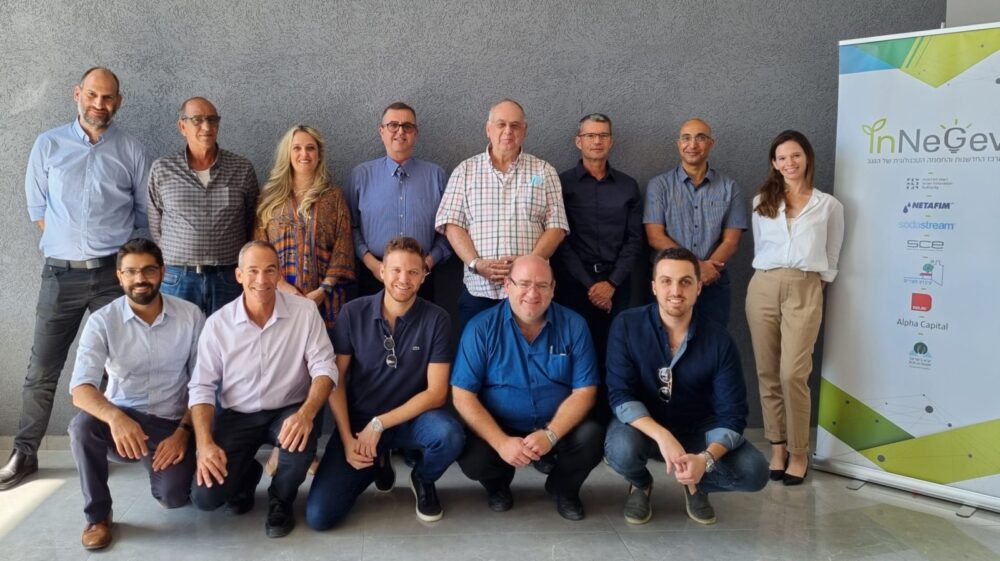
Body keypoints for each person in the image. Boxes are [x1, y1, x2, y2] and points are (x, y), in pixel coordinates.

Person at [2, 67, 151, 491]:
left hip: (111, 277)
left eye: (108, 97)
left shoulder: (131, 150)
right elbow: (38, 210)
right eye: (92, 95)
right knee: (42, 368)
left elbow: (143, 213)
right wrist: (69, 249)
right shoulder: (48, 144)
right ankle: (25, 452)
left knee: (114, 364)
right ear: (77, 94)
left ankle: (99, 443)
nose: (99, 104)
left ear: (118, 101)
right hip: (60, 275)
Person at [306, 237, 464, 529]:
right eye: (396, 270)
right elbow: (335, 381)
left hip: (411, 420)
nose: (404, 279)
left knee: (450, 434)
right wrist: (347, 439)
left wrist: (380, 424)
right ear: (381, 272)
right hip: (360, 422)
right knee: (320, 516)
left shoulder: (437, 319)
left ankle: (423, 479)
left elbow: (436, 393)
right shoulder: (353, 312)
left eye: (413, 272)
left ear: (424, 275)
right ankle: (375, 462)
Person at [604, 247, 768, 526]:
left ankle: (696, 481)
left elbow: (733, 415)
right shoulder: (627, 325)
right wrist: (662, 436)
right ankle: (641, 484)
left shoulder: (719, 340)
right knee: (620, 449)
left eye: (685, 282)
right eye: (666, 281)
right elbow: (620, 395)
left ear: (698, 288)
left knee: (755, 472)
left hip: (699, 430)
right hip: (645, 428)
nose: (675, 291)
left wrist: (706, 459)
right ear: (654, 287)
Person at [188, 241, 337, 538]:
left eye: (270, 270)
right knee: (205, 498)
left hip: (288, 410)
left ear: (279, 274)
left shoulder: (304, 312)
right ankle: (246, 475)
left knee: (299, 445)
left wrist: (306, 414)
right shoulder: (218, 324)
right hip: (238, 414)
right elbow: (201, 386)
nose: (262, 279)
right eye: (253, 271)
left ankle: (281, 499)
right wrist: (204, 444)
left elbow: (325, 368)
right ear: (239, 275)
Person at [67, 239, 203, 550]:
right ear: (119, 277)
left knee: (174, 498)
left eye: (148, 270)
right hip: (122, 424)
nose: (140, 279)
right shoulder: (102, 320)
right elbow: (80, 389)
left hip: (171, 424)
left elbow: (202, 384)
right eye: (130, 272)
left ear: (163, 272)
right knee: (82, 426)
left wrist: (183, 432)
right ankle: (98, 516)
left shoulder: (191, 316)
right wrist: (116, 418)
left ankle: (158, 463)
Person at [451, 255, 603, 521]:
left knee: (592, 436)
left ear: (553, 289)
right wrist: (501, 443)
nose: (532, 294)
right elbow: (462, 395)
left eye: (542, 285)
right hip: (501, 425)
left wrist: (551, 434)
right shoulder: (480, 328)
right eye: (523, 284)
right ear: (507, 286)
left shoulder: (575, 325)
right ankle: (498, 485)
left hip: (556, 426)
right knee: (472, 456)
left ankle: (563, 489)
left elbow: (585, 391)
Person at [745, 130, 844, 486]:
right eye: (782, 157)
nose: (789, 163)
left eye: (795, 156)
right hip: (763, 286)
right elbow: (761, 246)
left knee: (793, 373)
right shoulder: (762, 201)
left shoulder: (828, 205)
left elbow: (832, 254)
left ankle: (799, 451)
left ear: (807, 158)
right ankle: (777, 447)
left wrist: (815, 284)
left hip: (805, 287)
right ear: (774, 163)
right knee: (767, 372)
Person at [435, 99, 569, 330]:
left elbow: (556, 227)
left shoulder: (544, 172)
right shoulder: (465, 171)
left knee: (528, 350)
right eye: (501, 124)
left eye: (515, 125)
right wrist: (476, 263)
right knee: (478, 350)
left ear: (524, 130)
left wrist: (526, 266)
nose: (508, 131)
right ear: (488, 129)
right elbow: (452, 225)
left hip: (529, 294)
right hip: (479, 290)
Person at [554, 113, 642, 404]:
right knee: (576, 351)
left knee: (615, 352)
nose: (597, 141)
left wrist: (611, 284)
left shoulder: (628, 186)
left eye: (603, 135)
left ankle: (612, 414)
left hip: (618, 284)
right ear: (578, 141)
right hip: (573, 284)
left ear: (611, 141)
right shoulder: (561, 183)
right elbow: (560, 238)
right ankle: (579, 416)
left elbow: (634, 240)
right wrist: (590, 285)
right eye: (590, 135)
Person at [148, 96, 259, 316]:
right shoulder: (163, 169)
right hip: (178, 278)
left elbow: (251, 220)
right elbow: (155, 222)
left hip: (228, 277)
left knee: (228, 335)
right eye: (197, 120)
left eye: (212, 120)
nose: (206, 127)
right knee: (178, 335)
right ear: (182, 126)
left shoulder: (241, 168)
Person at [643, 118, 747, 326]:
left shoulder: (729, 187)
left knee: (713, 339)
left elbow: (731, 241)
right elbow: (655, 236)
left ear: (711, 143)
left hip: (713, 280)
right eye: (686, 138)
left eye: (700, 138)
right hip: (669, 282)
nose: (692, 144)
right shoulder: (659, 186)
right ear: (678, 144)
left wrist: (707, 271)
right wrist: (696, 267)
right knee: (666, 338)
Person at [255, 124, 354, 334]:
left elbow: (343, 247)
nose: (304, 154)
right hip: (278, 296)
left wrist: (323, 290)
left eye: (310, 148)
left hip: (325, 299)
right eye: (297, 148)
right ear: (287, 154)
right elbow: (259, 247)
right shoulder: (270, 198)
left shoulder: (334, 196)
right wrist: (282, 285)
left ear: (319, 154)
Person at [346, 102, 450, 299]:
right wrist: (371, 264)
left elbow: (449, 229)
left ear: (415, 133)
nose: (400, 131)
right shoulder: (361, 176)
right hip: (373, 276)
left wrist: (428, 262)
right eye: (393, 125)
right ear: (382, 131)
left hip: (421, 276)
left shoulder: (436, 176)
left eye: (407, 126)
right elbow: (350, 227)